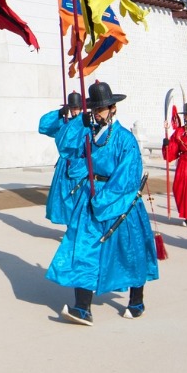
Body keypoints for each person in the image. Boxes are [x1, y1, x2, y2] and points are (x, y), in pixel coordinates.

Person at [46, 82, 157, 323]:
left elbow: (128, 176)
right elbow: (65, 147)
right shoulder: (89, 133)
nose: (97, 114)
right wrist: (78, 124)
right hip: (90, 195)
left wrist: (104, 201)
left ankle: (136, 299)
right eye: (94, 110)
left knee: (128, 251)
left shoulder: (125, 139)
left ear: (113, 108)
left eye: (102, 109)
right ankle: (82, 307)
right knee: (82, 247)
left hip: (119, 200)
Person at [39, 91, 90, 225]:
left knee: (79, 197)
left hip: (81, 164)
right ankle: (70, 226)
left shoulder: (87, 124)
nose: (74, 112)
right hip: (64, 165)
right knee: (64, 198)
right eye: (72, 109)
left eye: (77, 108)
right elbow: (43, 127)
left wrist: (83, 120)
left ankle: (77, 227)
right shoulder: (64, 123)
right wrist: (59, 113)